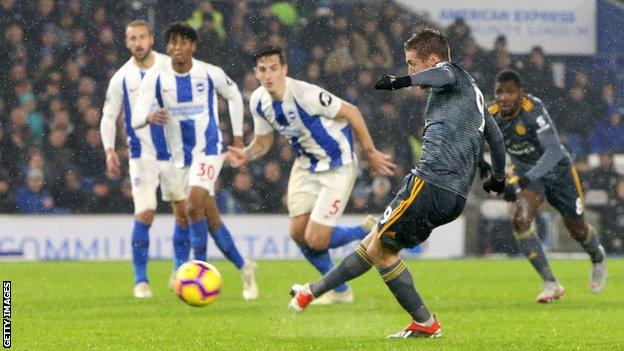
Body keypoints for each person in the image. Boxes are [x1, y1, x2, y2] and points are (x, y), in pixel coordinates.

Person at [287, 27, 507, 339]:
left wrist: (401, 82)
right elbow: (496, 139)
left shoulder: (450, 73)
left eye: (411, 63)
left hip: (430, 181)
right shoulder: (473, 94)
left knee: (382, 251)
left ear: (431, 59)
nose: (409, 69)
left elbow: (439, 75)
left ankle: (425, 322)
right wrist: (496, 178)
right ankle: (312, 290)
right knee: (376, 244)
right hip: (454, 195)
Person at [227, 47, 396, 305]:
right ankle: (340, 292)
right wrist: (246, 155)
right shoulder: (259, 101)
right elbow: (263, 142)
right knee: (298, 233)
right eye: (263, 69)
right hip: (306, 166)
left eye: (274, 68)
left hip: (337, 165)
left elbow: (351, 112)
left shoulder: (305, 94)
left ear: (284, 69)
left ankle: (365, 230)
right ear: (256, 73)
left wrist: (370, 152)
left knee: (316, 239)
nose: (269, 74)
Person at [131, 22, 258, 300]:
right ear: (167, 48)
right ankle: (244, 266)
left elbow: (235, 95)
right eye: (173, 43)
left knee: (191, 207)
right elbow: (136, 115)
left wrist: (237, 136)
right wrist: (148, 117)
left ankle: (198, 270)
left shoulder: (210, 73)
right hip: (175, 158)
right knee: (206, 217)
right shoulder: (156, 78)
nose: (178, 48)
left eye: (184, 43)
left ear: (193, 46)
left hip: (208, 150)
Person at [488, 69, 607, 302]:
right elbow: (480, 146)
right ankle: (551, 283)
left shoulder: (534, 110)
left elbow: (553, 151)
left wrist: (522, 179)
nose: (504, 97)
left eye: (510, 92)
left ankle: (597, 255)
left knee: (577, 228)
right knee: (520, 219)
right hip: (528, 174)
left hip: (558, 171)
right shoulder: (491, 115)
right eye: (499, 92)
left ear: (520, 93)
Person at [100, 20, 188, 298]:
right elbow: (109, 116)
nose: (137, 43)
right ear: (127, 43)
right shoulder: (121, 78)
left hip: (175, 153)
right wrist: (109, 150)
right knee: (146, 212)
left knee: (182, 213)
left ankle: (179, 272)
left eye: (142, 37)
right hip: (142, 156)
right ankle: (141, 280)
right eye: (132, 38)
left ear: (151, 39)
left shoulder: (169, 65)